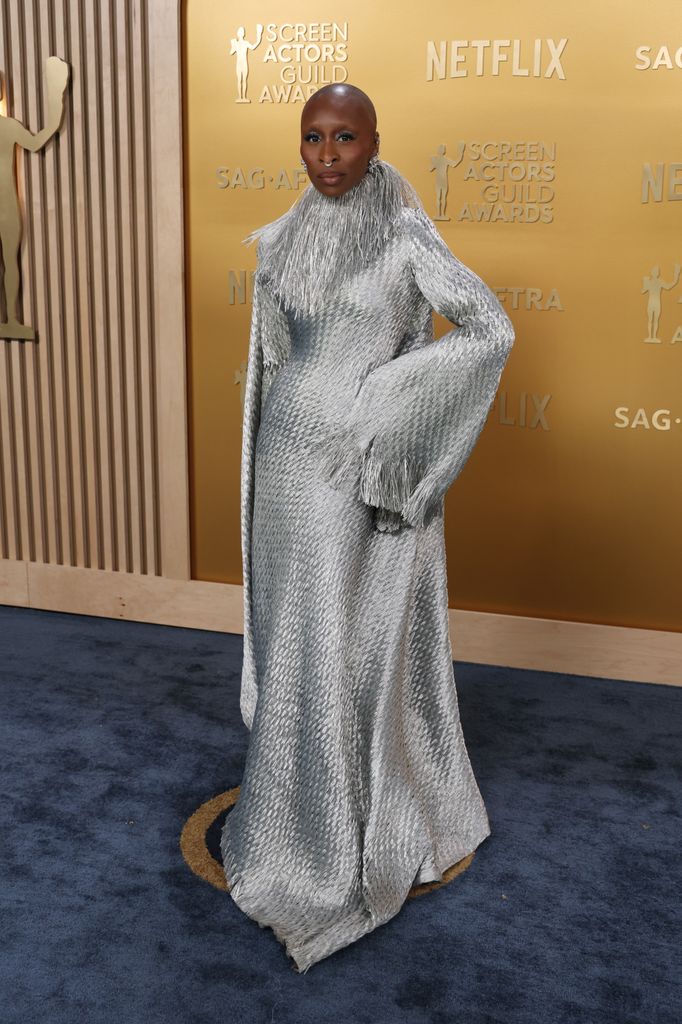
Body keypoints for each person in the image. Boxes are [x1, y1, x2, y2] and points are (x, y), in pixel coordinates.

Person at [220, 82, 515, 973]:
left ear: (376, 140)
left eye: (345, 138)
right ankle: (290, 808)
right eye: (312, 139)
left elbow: (487, 329)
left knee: (335, 637)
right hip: (281, 461)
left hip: (346, 471)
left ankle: (333, 835)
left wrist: (386, 402)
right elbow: (272, 359)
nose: (327, 156)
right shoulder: (285, 237)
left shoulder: (404, 232)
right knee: (290, 631)